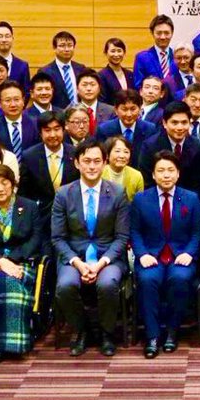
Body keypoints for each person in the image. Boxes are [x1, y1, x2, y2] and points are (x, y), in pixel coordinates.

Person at [51, 139, 131, 357]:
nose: (92, 166)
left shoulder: (118, 192)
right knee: (65, 285)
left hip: (108, 257)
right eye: (87, 161)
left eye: (97, 161)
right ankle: (82, 330)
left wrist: (100, 264)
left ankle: (107, 333)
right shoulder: (63, 194)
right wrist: (78, 263)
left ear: (105, 163)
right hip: (74, 257)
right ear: (77, 163)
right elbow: (58, 238)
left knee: (107, 283)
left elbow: (122, 237)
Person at [131, 152, 200, 358]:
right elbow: (135, 232)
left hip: (181, 255)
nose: (166, 175)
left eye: (171, 170)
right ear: (153, 175)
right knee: (147, 280)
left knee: (180, 278)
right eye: (161, 171)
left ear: (178, 174)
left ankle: (172, 332)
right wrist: (142, 254)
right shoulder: (141, 199)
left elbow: (197, 232)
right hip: (151, 255)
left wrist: (189, 252)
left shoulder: (191, 198)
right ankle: (152, 336)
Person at [138, 101, 200, 199]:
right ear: (164, 123)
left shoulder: (198, 146)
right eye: (174, 123)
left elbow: (199, 182)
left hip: (187, 199)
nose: (180, 127)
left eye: (184, 122)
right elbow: (147, 182)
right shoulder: (150, 147)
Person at [17, 111, 78, 213]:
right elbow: (23, 193)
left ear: (63, 130)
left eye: (57, 129)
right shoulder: (29, 156)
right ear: (40, 133)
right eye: (47, 130)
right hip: (40, 214)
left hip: (71, 213)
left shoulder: (75, 154)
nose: (52, 135)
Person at [0, 21, 32, 89]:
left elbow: (26, 91)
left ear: (12, 39)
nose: (4, 40)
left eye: (7, 36)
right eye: (0, 36)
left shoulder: (22, 65)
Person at [100, 136, 145, 202]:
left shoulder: (136, 176)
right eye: (117, 151)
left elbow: (140, 203)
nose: (122, 156)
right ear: (107, 155)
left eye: (126, 152)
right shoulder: (99, 173)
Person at [97, 37, 133, 105]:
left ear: (124, 53)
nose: (116, 55)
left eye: (119, 51)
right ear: (106, 53)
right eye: (113, 51)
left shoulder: (130, 74)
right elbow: (102, 101)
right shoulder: (101, 75)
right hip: (110, 111)